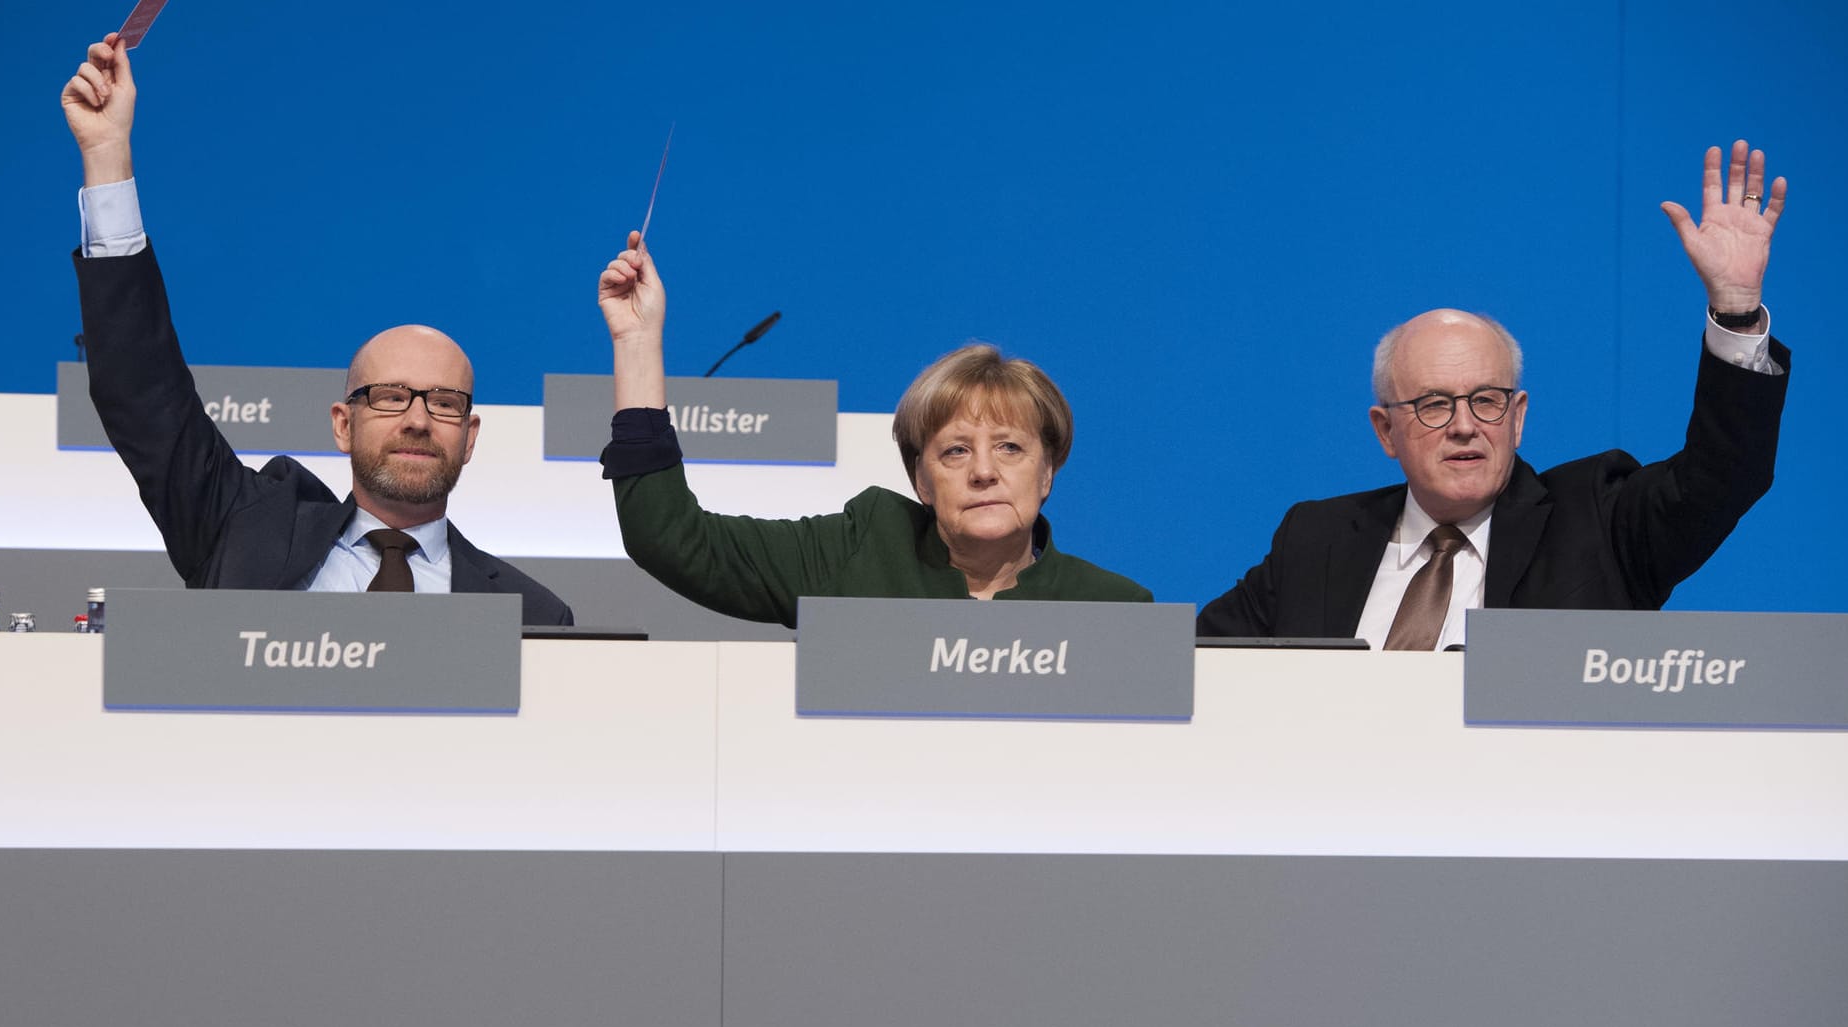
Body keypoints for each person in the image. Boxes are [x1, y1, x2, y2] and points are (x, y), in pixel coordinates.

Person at [61, 34, 571, 624]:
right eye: (389, 396)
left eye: (445, 403)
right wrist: (106, 156)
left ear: (471, 435)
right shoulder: (242, 529)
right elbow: (142, 393)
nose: (416, 418)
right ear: (342, 423)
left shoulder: (533, 615)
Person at [1197, 140, 1790, 647]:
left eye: (1486, 400)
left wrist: (1735, 310)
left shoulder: (1599, 525)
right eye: (1433, 404)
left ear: (1517, 417)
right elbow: (1203, 666)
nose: (1464, 426)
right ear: (1385, 431)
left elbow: (1723, 476)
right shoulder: (1315, 540)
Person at [595, 233, 1151, 627]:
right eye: (956, 451)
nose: (985, 472)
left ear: (1048, 470)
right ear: (921, 481)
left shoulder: (1116, 611)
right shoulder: (859, 554)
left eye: (1010, 447)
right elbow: (668, 538)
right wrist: (637, 344)